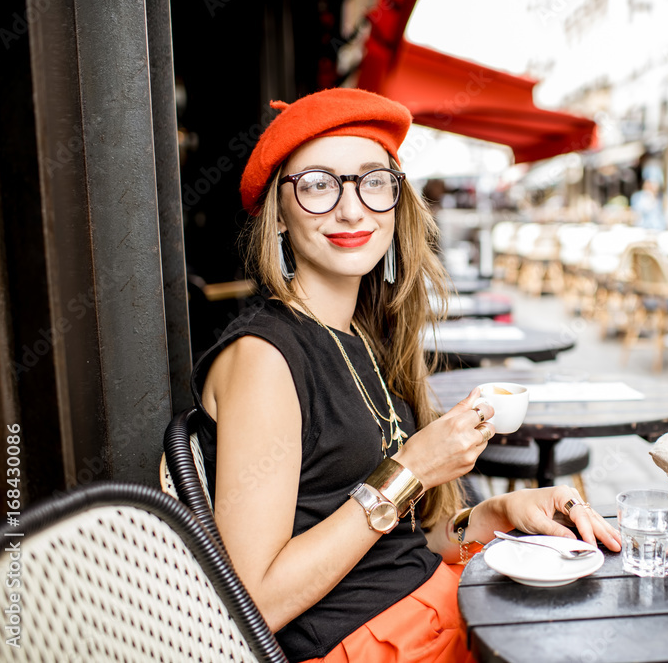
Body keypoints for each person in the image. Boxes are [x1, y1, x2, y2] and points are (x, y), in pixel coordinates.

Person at [189, 88, 621, 663]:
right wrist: (411, 468)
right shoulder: (264, 359)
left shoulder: (362, 337)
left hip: (438, 610)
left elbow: (400, 548)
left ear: (396, 203)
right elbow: (254, 602)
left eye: (372, 181)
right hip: (372, 645)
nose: (351, 209)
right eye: (317, 183)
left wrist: (497, 514)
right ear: (279, 216)